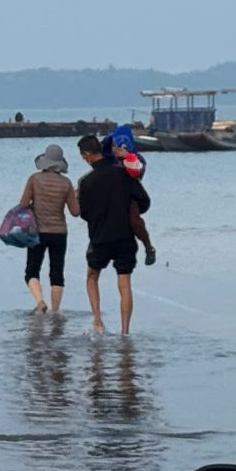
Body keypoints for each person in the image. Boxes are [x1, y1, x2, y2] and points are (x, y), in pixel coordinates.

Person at [76, 134, 151, 335]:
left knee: (92, 276)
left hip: (100, 236)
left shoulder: (86, 182)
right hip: (125, 236)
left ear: (86, 155)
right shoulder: (124, 174)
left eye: (83, 156)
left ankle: (98, 322)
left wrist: (98, 216)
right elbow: (144, 201)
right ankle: (125, 332)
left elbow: (83, 213)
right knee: (124, 284)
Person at [19, 144, 80, 312]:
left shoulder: (34, 179)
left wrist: (34, 205)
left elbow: (23, 204)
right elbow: (75, 212)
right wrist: (76, 196)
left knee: (31, 270)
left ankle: (40, 301)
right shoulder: (66, 183)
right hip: (59, 233)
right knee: (57, 273)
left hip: (37, 232)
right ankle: (55, 312)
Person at [102, 125, 157, 266]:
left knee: (135, 220)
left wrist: (127, 157)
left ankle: (148, 247)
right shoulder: (109, 158)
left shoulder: (138, 159)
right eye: (115, 145)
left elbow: (137, 172)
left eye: (121, 146)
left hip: (131, 195)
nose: (117, 149)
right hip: (111, 196)